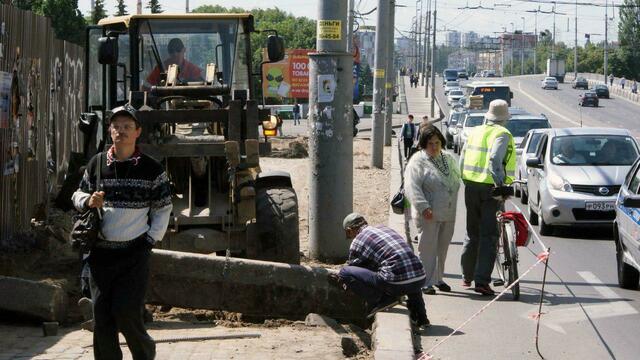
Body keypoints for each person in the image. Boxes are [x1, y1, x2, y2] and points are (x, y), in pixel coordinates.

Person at [72, 104, 172, 359]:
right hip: (100, 255)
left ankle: (144, 353)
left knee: (127, 314)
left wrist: (150, 240)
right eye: (116, 126)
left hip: (134, 255)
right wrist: (88, 201)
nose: (121, 131)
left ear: (138, 132)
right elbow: (77, 195)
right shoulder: (96, 164)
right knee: (102, 318)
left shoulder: (152, 169)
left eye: (127, 127)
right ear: (109, 131)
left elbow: (163, 209)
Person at [459, 99, 516, 296]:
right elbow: (494, 159)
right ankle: (482, 281)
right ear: (504, 118)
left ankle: (467, 276)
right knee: (489, 236)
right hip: (489, 189)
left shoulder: (475, 131)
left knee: (472, 233)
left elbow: (462, 157)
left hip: (470, 186)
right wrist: (500, 185)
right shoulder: (502, 134)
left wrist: (465, 179)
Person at [334, 213, 429, 328]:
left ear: (349, 230)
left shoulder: (357, 241)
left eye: (349, 235)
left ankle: (383, 299)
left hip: (395, 283)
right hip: (420, 277)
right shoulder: (384, 228)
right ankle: (422, 317)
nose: (350, 238)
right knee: (408, 273)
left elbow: (354, 268)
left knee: (345, 272)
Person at [405, 126, 460, 295]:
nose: (434, 147)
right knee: (427, 248)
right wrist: (423, 207)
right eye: (430, 143)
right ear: (424, 144)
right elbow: (412, 187)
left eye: (437, 143)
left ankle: (438, 279)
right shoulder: (418, 161)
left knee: (442, 248)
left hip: (448, 212)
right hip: (428, 213)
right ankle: (425, 281)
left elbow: (456, 177)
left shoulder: (448, 158)